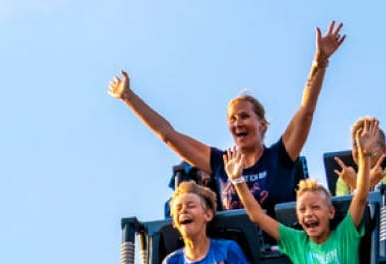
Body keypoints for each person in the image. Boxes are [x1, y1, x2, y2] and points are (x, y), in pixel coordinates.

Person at [108, 21, 347, 213]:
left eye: (244, 117)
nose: (237, 123)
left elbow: (306, 111)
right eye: (232, 120)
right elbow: (168, 135)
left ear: (261, 124)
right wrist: (128, 96)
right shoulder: (220, 163)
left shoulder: (280, 157)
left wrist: (320, 62)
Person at [226, 119, 385, 264]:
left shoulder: (345, 234)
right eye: (302, 210)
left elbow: (361, 196)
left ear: (331, 212)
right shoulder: (296, 242)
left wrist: (364, 157)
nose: (308, 214)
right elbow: (257, 217)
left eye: (315, 207)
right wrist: (238, 180)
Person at [333, 117, 386, 196]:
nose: (361, 150)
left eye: (368, 144)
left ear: (384, 150)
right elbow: (344, 207)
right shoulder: (345, 179)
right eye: (356, 145)